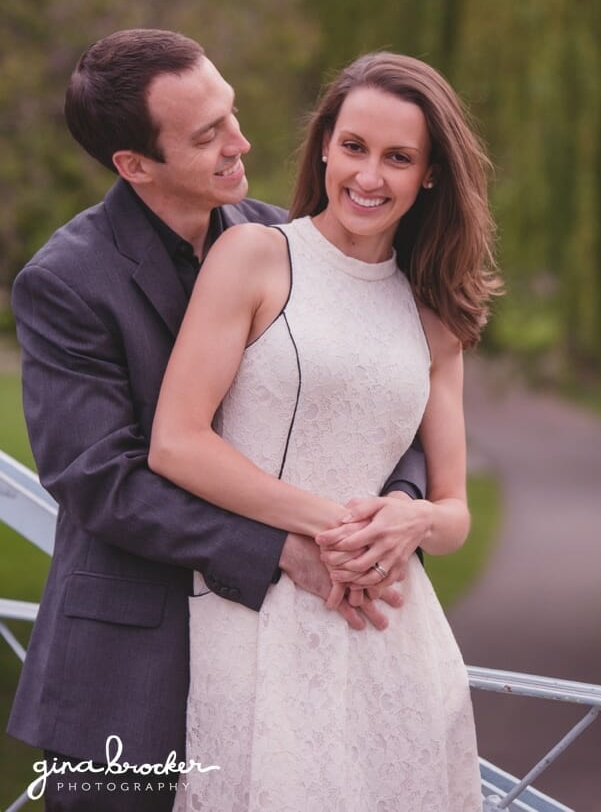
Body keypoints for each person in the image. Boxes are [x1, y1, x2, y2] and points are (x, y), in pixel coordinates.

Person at [7, 29, 424, 812]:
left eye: (230, 113)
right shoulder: (64, 282)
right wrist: (278, 548)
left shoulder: (280, 238)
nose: (242, 141)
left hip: (289, 658)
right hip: (128, 677)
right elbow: (102, 479)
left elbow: (384, 389)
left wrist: (399, 503)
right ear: (134, 165)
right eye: (208, 135)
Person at [147, 50, 500, 810]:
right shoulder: (255, 256)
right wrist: (335, 528)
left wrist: (413, 518)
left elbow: (455, 513)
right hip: (257, 611)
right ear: (324, 147)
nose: (369, 176)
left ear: (431, 173)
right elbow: (176, 440)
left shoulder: (436, 317)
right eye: (353, 147)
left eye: (398, 158)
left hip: (390, 631)